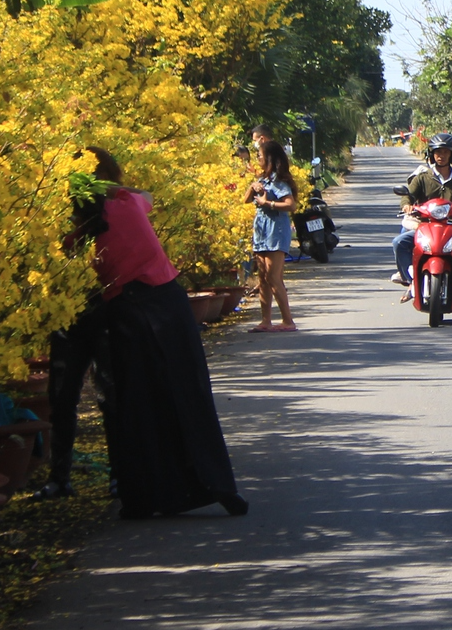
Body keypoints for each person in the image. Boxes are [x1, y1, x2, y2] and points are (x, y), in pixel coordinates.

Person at [48, 148, 247, 517]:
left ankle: (147, 497)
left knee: (139, 405)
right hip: (167, 303)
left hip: (127, 310)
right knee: (187, 394)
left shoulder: (78, 229)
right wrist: (110, 186)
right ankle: (215, 484)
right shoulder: (127, 201)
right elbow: (148, 197)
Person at [392, 133, 452, 301]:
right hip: (425, 228)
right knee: (399, 242)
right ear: (432, 154)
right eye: (438, 152)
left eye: (445, 152)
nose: (441, 156)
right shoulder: (422, 178)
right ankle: (411, 281)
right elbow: (408, 195)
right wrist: (406, 205)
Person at [245, 141, 298, 331]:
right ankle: (265, 320)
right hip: (261, 231)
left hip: (276, 231)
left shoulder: (279, 181)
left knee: (274, 277)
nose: (258, 158)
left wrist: (269, 204)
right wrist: (253, 187)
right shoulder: (263, 180)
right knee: (263, 278)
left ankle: (287, 321)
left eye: (260, 155)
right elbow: (244, 200)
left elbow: (291, 205)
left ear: (270, 159)